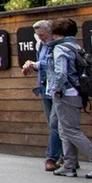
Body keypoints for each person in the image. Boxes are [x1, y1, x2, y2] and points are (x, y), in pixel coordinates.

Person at [45, 18, 92, 179]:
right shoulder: (74, 46)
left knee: (71, 130)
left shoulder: (60, 48)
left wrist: (56, 90)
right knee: (64, 129)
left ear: (56, 33)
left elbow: (61, 73)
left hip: (66, 94)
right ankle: (69, 163)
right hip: (76, 92)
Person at [21, 19, 63, 171]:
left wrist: (35, 64)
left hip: (56, 89)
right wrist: (32, 67)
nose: (40, 38)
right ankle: (67, 157)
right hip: (44, 88)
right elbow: (42, 64)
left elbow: (51, 63)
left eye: (43, 35)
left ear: (50, 32)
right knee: (54, 125)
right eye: (38, 35)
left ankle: (51, 158)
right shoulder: (41, 45)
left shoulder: (57, 44)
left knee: (54, 124)